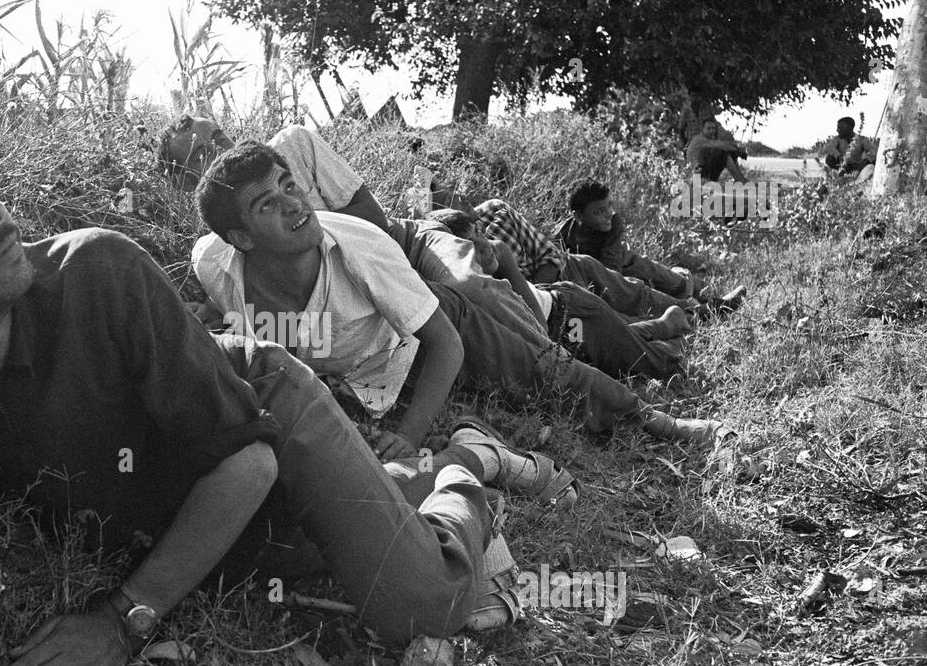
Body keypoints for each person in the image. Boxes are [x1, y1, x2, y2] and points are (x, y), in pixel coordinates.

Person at [0, 121, 539, 666]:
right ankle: (416, 477)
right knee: (301, 547)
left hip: (262, 415)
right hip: (196, 494)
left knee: (420, 602)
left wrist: (121, 620)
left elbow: (248, 462)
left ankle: (466, 466)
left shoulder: (95, 271)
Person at [191, 143, 729, 464]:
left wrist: (407, 438)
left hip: (436, 326)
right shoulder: (214, 264)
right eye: (268, 203)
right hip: (362, 373)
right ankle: (650, 330)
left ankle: (655, 418)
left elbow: (443, 344)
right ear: (241, 238)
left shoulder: (359, 246)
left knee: (545, 369)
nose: (294, 205)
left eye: (291, 185)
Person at [430, 210, 689, 380]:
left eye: (479, 233)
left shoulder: (497, 259)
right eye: (469, 244)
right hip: (559, 325)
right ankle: (663, 324)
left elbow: (537, 326)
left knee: (650, 367)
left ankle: (673, 330)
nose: (483, 244)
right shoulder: (463, 279)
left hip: (571, 313)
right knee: (608, 356)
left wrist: (504, 266)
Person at [158, 114, 391, 230]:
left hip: (404, 243)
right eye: (202, 153)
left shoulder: (294, 144)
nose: (221, 149)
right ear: (186, 183)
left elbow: (375, 219)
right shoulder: (218, 231)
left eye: (219, 136)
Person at [472, 197, 691, 320]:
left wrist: (541, 291)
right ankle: (684, 309)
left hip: (569, 273)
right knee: (621, 321)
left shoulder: (494, 210)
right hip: (553, 304)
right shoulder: (456, 253)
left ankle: (693, 302)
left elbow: (551, 256)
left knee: (633, 284)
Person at [558, 181, 747, 309]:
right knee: (658, 296)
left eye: (610, 205)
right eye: (600, 210)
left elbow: (612, 267)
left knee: (673, 281)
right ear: (578, 216)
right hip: (611, 280)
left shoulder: (614, 222)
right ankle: (704, 307)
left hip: (627, 266)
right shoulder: (563, 234)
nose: (609, 212)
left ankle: (718, 301)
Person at [685, 117, 747, 182]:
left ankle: (739, 178)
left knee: (731, 153)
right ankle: (739, 179)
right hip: (697, 172)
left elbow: (721, 144)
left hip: (703, 169)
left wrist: (736, 150)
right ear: (702, 129)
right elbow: (721, 145)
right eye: (708, 128)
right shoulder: (699, 140)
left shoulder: (709, 139)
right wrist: (737, 149)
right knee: (723, 153)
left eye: (713, 128)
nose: (711, 131)